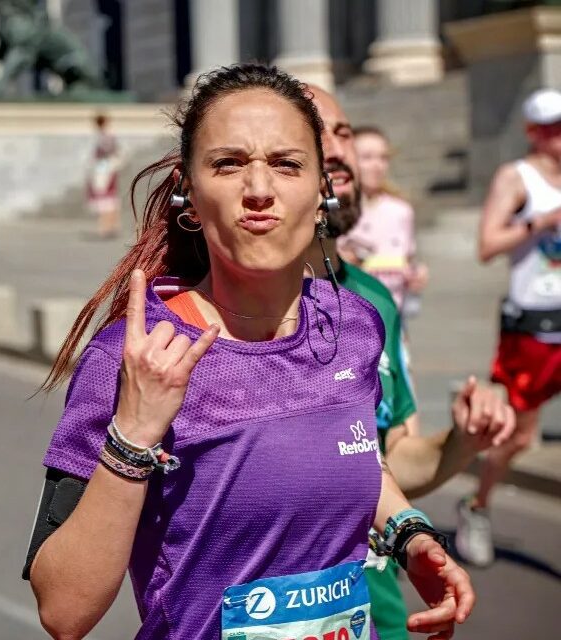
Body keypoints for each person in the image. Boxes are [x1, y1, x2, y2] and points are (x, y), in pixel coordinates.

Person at [25, 64, 473, 640]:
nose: (259, 190)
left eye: (287, 165)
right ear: (190, 194)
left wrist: (412, 537)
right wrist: (133, 437)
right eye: (228, 164)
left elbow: (350, 453)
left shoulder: (354, 325)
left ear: (322, 193)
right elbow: (63, 612)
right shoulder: (134, 355)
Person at [304, 84, 514, 640]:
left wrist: (464, 440)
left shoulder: (373, 299)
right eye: (314, 131)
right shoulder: (208, 311)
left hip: (376, 615)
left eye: (345, 133)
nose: (339, 150)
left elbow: (389, 458)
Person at [459, 87, 561, 567]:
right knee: (518, 437)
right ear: (532, 132)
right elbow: (485, 246)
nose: (558, 136)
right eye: (550, 128)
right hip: (533, 328)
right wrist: (540, 223)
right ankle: (477, 507)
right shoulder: (516, 178)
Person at [338, 126, 428, 313]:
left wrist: (416, 275)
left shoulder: (401, 211)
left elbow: (408, 260)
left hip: (393, 316)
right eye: (367, 157)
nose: (377, 165)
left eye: (383, 157)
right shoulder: (334, 210)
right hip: (350, 318)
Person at [87, 112, 123, 239]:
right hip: (107, 167)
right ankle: (110, 225)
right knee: (109, 198)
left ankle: (106, 226)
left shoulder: (106, 135)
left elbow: (107, 151)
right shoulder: (107, 134)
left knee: (105, 198)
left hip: (104, 168)